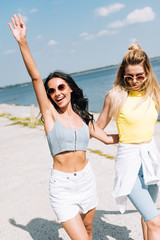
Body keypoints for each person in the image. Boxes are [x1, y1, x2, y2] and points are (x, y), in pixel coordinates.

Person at [8, 14, 119, 240]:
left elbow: (107, 139)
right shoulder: (50, 116)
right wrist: (22, 42)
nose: (56, 92)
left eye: (60, 87)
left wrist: (138, 134)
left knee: (88, 231)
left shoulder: (84, 118)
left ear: (69, 88)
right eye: (52, 90)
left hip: (87, 179)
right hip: (62, 186)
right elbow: (36, 79)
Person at [96, 41, 160, 240]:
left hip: (151, 162)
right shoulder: (115, 96)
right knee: (156, 220)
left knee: (148, 217)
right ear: (123, 75)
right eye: (129, 76)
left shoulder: (154, 94)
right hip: (129, 164)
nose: (134, 80)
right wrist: (110, 139)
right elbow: (96, 128)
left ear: (147, 72)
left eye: (139, 75)